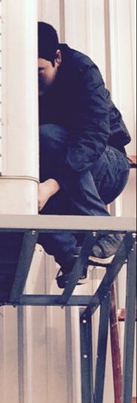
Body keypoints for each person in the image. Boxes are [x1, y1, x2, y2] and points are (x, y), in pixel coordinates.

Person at [37, 21, 131, 285]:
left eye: (39, 71)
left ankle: (107, 234)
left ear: (57, 58)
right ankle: (72, 258)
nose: (32, 81)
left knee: (48, 135)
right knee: (22, 195)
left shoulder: (82, 71)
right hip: (66, 180)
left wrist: (51, 185)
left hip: (108, 166)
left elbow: (93, 137)